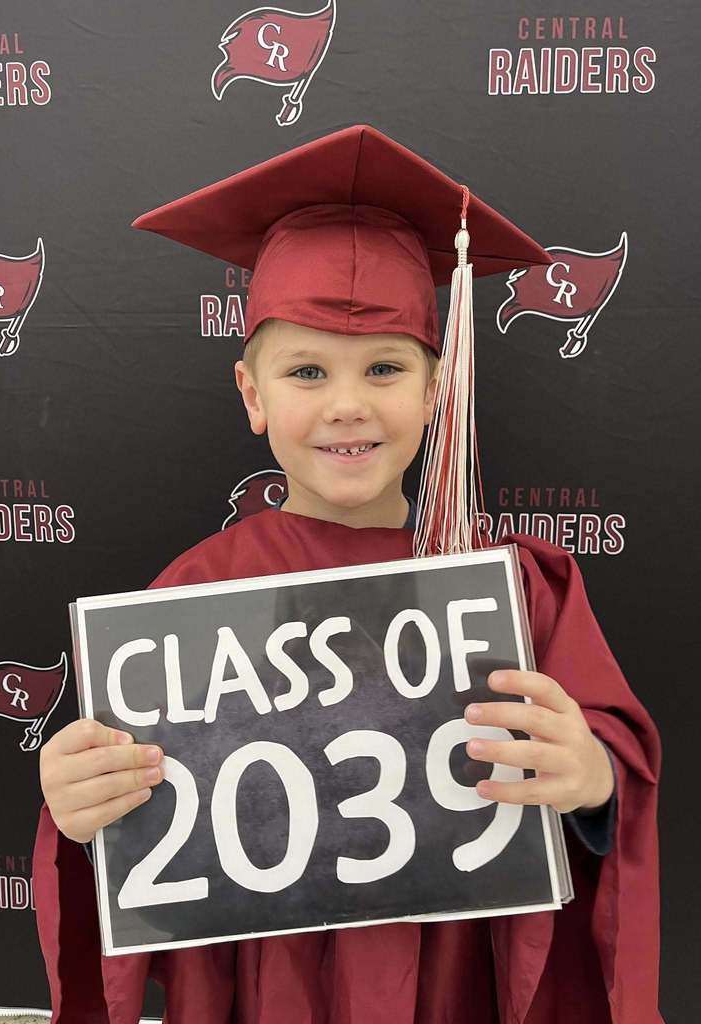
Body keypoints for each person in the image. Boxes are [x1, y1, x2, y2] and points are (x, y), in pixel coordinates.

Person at [33, 125, 662, 1023]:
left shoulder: (511, 589)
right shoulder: (188, 603)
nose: (348, 403)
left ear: (438, 388)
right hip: (265, 978)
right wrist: (79, 814)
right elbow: (142, 839)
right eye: (305, 370)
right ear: (252, 395)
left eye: (384, 366)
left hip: (454, 983)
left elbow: (616, 771)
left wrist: (592, 780)